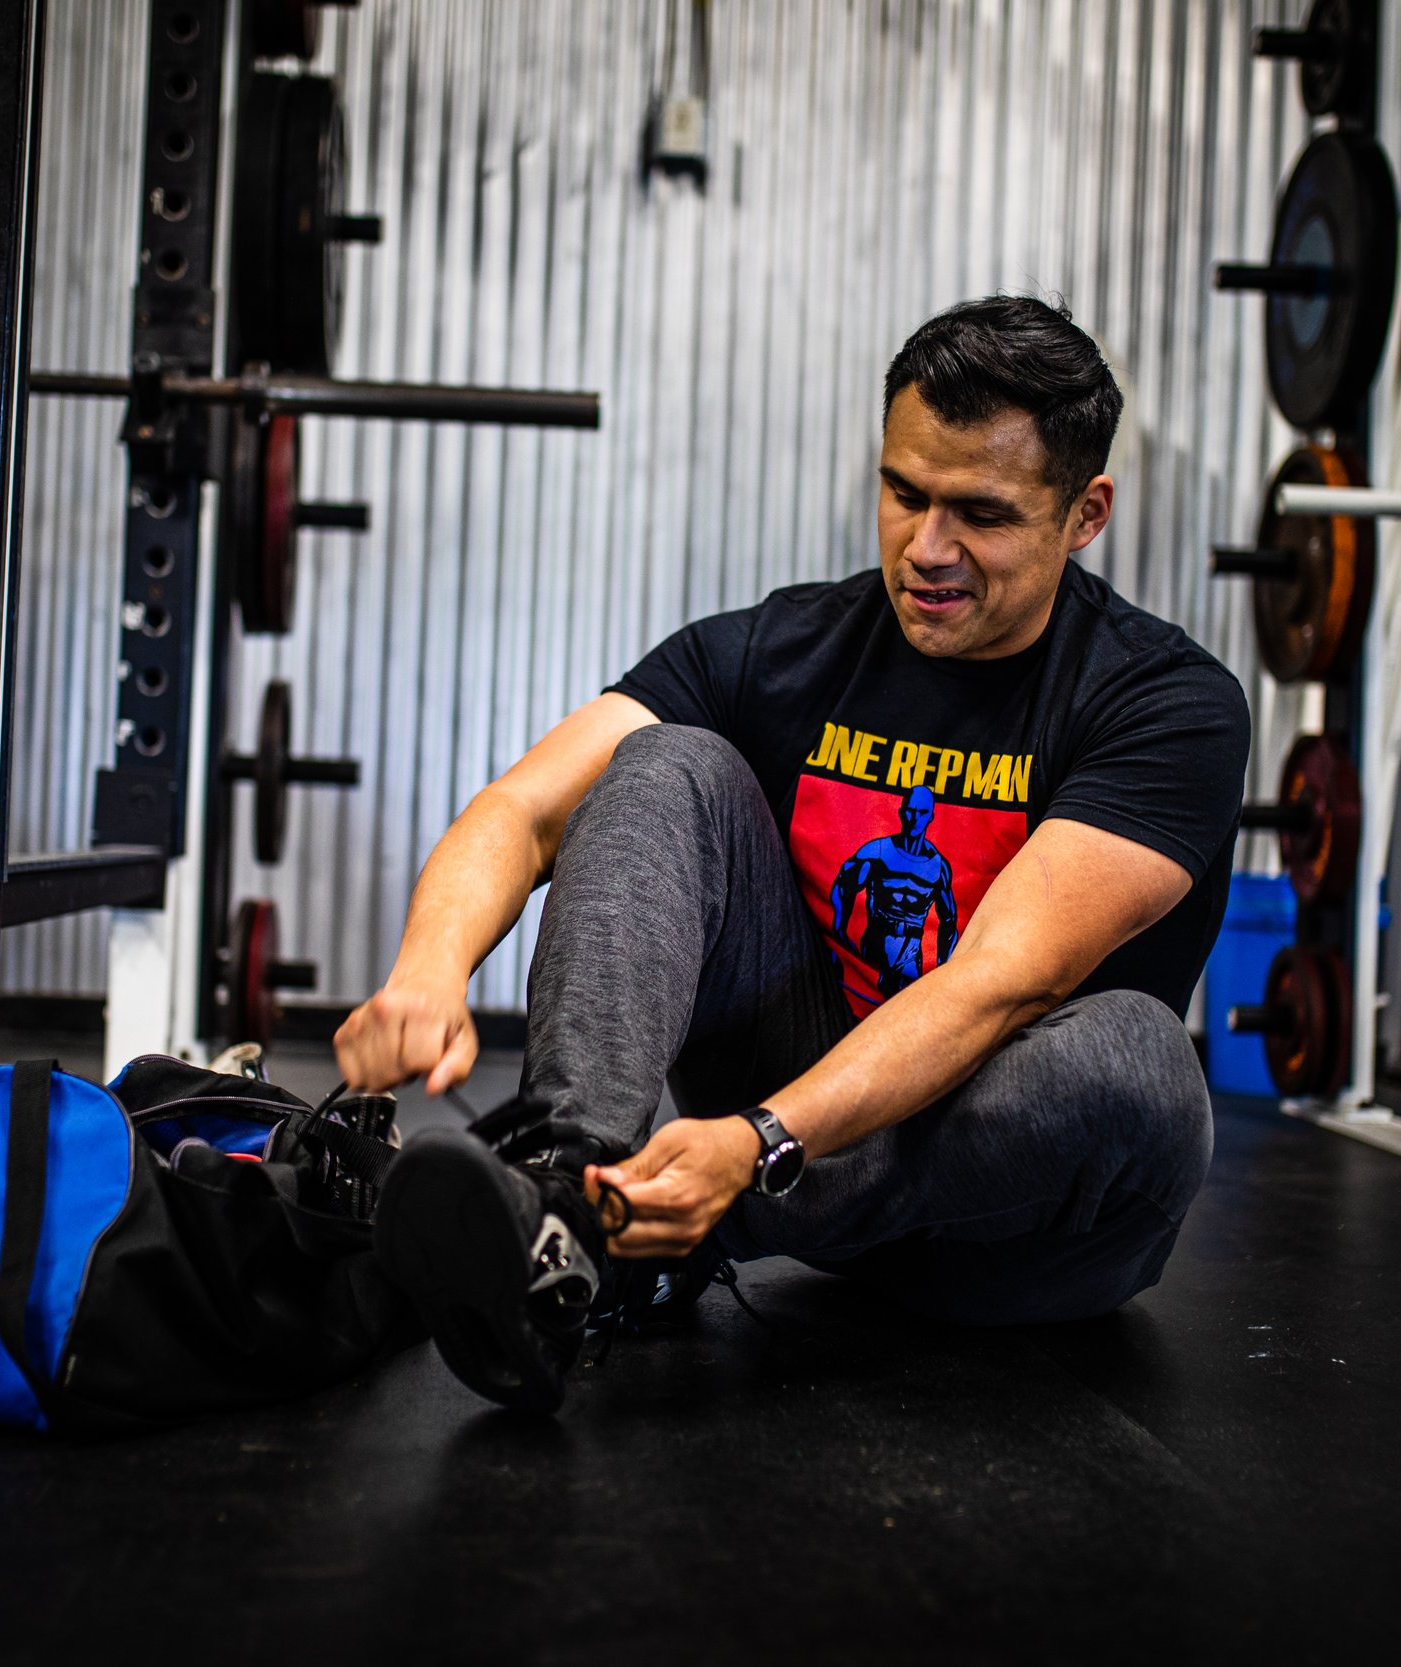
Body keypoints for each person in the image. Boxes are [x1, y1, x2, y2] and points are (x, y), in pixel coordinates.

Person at [336, 295, 1251, 1413]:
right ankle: (563, 1199)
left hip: (1019, 1227)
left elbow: (1002, 983)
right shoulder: (783, 648)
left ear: (1084, 512)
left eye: (982, 513)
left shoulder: (1166, 702)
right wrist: (425, 970)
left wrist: (760, 1142)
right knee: (670, 762)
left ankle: (640, 1232)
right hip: (771, 1134)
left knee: (1137, 1060)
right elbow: (526, 810)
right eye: (904, 492)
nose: (927, 549)